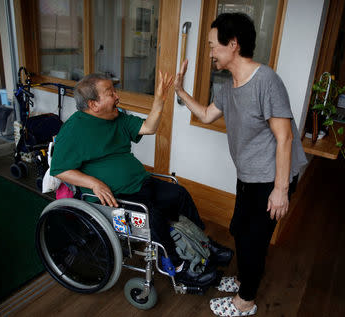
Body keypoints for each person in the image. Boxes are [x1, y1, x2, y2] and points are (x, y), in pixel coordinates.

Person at [174, 12, 308, 316]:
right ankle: (245, 278)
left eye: (212, 46)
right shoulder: (229, 85)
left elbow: (284, 138)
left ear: (233, 44)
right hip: (249, 175)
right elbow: (207, 114)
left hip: (272, 178)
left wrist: (280, 190)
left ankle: (246, 301)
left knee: (253, 239)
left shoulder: (266, 81)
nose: (209, 53)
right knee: (239, 229)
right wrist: (180, 91)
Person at [50, 72, 232, 287]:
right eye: (110, 93)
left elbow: (149, 127)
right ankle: (178, 268)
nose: (117, 96)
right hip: (115, 198)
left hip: (142, 183)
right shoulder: (73, 130)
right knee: (152, 217)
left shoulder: (116, 116)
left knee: (179, 194)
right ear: (94, 104)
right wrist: (94, 183)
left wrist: (159, 100)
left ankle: (203, 244)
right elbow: (59, 169)